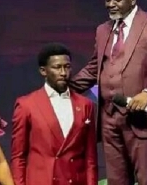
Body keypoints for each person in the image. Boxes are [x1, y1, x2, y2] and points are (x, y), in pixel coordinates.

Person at [69, 0, 147, 184]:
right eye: (107, 0)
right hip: (109, 119)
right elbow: (94, 68)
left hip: (142, 119)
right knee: (117, 180)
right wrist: (63, 88)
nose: (110, 4)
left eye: (116, 0)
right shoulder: (102, 30)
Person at [11, 43, 98, 185]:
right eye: (57, 67)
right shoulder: (26, 105)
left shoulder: (85, 105)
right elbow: (18, 156)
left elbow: (90, 158)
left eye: (67, 67)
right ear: (43, 71)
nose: (63, 73)